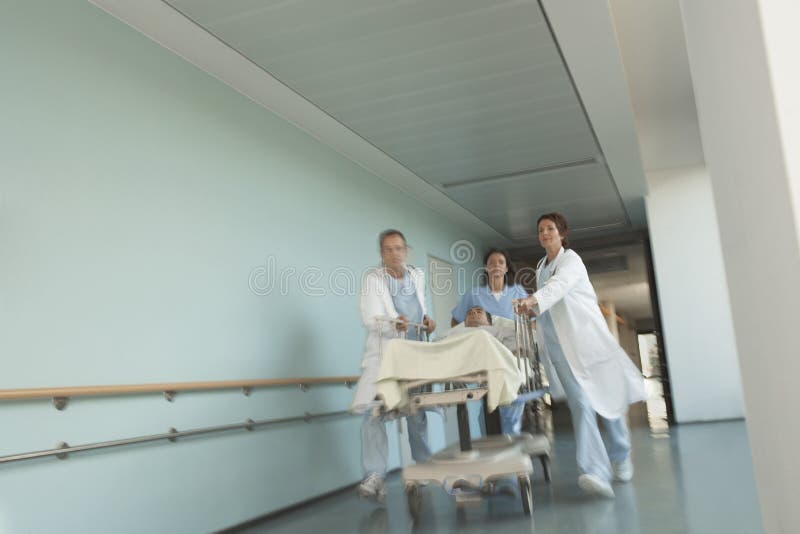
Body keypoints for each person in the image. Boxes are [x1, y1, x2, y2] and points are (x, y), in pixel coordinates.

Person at [515, 213, 646, 499]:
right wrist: (532, 310)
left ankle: (621, 454)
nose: (545, 233)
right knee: (582, 405)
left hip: (589, 343)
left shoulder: (571, 260)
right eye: (541, 230)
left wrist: (534, 299)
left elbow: (559, 287)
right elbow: (549, 305)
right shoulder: (541, 267)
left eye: (550, 228)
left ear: (562, 233)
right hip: (561, 349)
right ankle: (594, 471)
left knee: (607, 400)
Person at [350, 229, 437, 502]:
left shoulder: (416, 276)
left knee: (416, 413)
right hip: (385, 356)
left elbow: (420, 308)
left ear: (406, 250)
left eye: (398, 248)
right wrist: (392, 324)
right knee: (373, 413)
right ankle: (374, 475)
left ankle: (423, 466)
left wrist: (427, 321)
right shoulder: (373, 279)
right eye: (388, 249)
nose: (394, 253)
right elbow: (369, 318)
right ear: (381, 253)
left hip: (415, 354)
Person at [451, 248, 529, 434]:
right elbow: (456, 321)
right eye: (491, 262)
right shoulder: (474, 294)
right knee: (487, 410)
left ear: (507, 268)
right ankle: (492, 441)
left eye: (501, 262)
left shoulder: (517, 291)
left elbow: (530, 321)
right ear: (486, 268)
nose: (496, 266)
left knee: (510, 406)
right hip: (484, 354)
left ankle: (510, 441)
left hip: (510, 352)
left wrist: (526, 346)